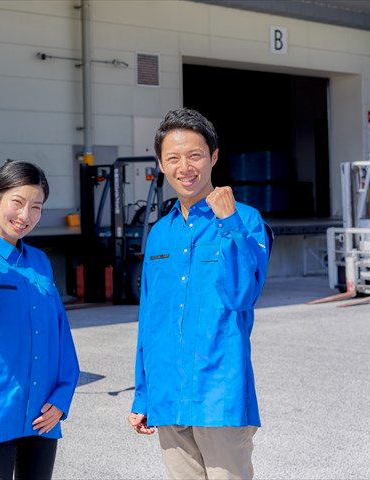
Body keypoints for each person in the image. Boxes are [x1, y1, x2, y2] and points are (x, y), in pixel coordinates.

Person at [128, 108, 272, 479]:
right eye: (173, 158)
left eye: (194, 155)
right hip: (168, 393)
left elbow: (242, 295)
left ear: (214, 156)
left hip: (219, 393)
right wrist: (143, 394)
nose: (185, 167)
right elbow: (151, 318)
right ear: (160, 164)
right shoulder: (160, 233)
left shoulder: (246, 220)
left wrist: (228, 223)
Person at [0, 159, 80, 480]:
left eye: (36, 207)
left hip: (42, 411)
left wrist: (63, 396)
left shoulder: (39, 260)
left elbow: (60, 333)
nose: (26, 216)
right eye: (18, 203)